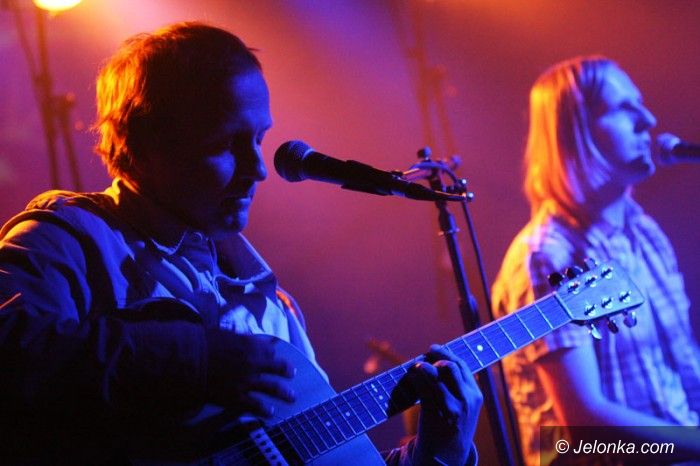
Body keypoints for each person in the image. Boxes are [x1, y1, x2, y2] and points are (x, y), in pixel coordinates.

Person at [0, 22, 482, 465]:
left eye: (258, 139)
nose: (258, 169)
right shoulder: (66, 240)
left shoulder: (269, 306)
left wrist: (437, 454)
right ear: (145, 145)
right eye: (226, 143)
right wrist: (197, 360)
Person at [491, 56, 700, 465]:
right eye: (623, 108)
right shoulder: (547, 256)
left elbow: (682, 363)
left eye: (641, 104)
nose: (648, 120)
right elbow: (584, 424)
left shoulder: (644, 231)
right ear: (576, 133)